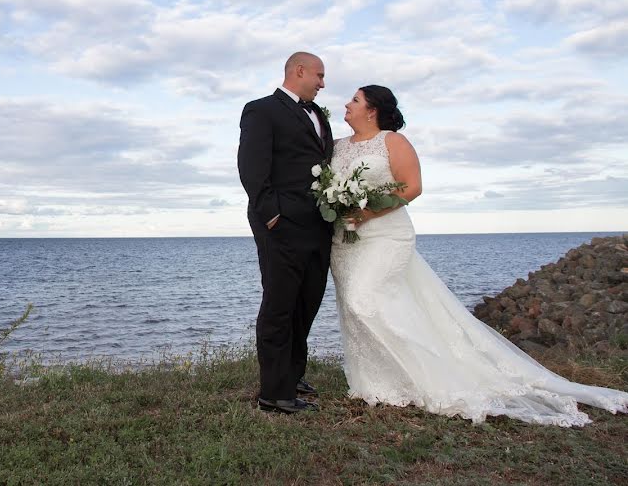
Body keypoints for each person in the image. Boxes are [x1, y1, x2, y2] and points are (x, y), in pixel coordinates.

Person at [330, 84, 628, 426]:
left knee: (363, 298)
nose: (347, 104)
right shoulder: (338, 147)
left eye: (355, 99)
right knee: (361, 306)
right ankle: (380, 383)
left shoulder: (392, 142)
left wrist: (368, 213)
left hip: (384, 234)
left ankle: (434, 374)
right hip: (345, 241)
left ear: (372, 109)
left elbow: (411, 186)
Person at [238, 52, 334, 414]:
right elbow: (251, 168)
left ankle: (293, 375)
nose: (323, 84)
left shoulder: (318, 115)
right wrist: (272, 216)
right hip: (281, 226)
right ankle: (274, 395)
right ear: (299, 71)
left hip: (318, 225)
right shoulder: (261, 109)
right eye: (319, 76)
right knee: (279, 306)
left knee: (306, 302)